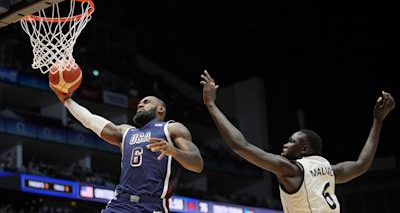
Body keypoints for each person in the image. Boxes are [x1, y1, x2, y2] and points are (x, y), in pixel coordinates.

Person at [200, 70, 395, 213]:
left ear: (305, 148)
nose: (285, 144)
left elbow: (240, 146)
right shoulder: (329, 171)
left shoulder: (292, 170)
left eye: (291, 141)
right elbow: (362, 165)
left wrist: (211, 105)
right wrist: (378, 121)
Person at [50, 86, 204, 213]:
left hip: (152, 206)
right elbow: (90, 120)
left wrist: (174, 151)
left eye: (146, 102)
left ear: (161, 109)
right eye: (139, 104)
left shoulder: (172, 129)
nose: (140, 105)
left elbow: (197, 165)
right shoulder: (126, 132)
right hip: (120, 204)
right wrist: (67, 101)